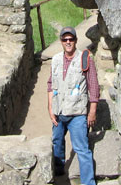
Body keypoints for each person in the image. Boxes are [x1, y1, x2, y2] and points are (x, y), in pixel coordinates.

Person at [47, 27, 99, 185]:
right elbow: (50, 85)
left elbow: (94, 86)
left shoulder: (85, 58)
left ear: (76, 41)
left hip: (77, 114)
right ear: (61, 42)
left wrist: (92, 112)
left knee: (82, 149)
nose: (68, 42)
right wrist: (50, 108)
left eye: (71, 39)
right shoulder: (55, 59)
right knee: (57, 142)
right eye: (65, 40)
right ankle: (59, 170)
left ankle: (88, 182)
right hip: (58, 111)